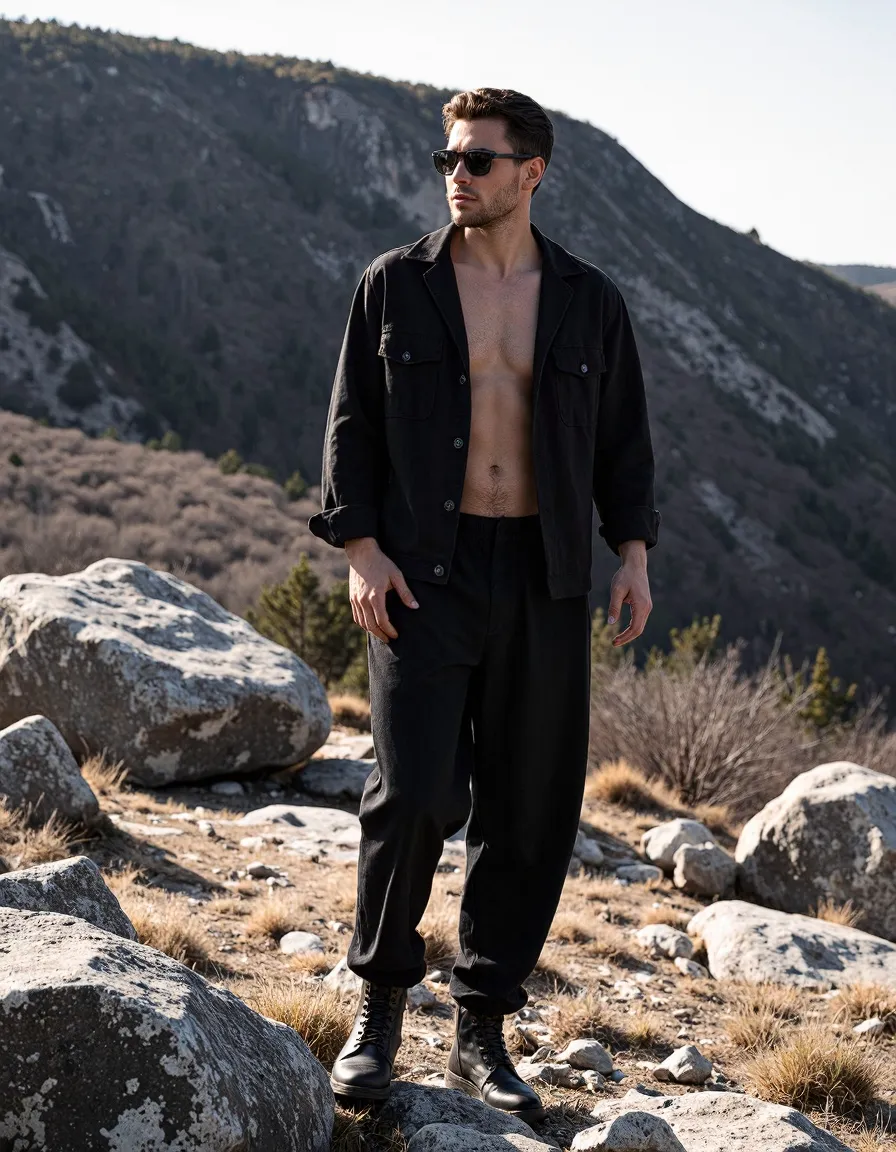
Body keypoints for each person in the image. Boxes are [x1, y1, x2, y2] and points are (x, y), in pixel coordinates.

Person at [307, 87, 661, 1121]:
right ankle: (377, 1006)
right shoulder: (394, 286)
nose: (454, 174)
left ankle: (479, 1030)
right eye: (446, 158)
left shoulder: (588, 300)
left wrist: (630, 555)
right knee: (415, 791)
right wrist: (361, 550)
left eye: (476, 160)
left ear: (530, 174)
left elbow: (622, 440)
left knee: (529, 805)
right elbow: (348, 429)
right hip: (424, 567)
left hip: (546, 572)